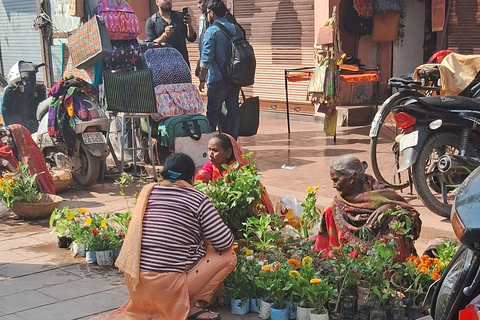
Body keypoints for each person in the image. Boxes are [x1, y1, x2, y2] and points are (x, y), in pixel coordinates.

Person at [91, 153, 236, 320]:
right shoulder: (198, 199)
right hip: (169, 286)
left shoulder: (148, 192)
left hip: (138, 284)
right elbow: (225, 242)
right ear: (191, 178)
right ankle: (192, 306)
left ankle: (163, 304)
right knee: (229, 255)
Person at [315, 154, 421, 261]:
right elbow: (322, 246)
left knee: (393, 220)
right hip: (350, 271)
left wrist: (391, 208)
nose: (334, 186)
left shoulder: (382, 193)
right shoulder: (334, 209)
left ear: (351, 179)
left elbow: (413, 218)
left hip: (389, 265)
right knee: (330, 211)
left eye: (336, 180)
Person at [195, 133, 274, 214]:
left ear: (228, 153)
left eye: (215, 150)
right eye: (209, 150)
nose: (210, 154)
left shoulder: (238, 170)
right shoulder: (213, 165)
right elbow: (197, 182)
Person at [198, 0, 241, 139]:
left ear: (211, 13)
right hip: (234, 78)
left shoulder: (211, 31)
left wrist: (202, 78)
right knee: (233, 112)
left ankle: (211, 144)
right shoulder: (236, 28)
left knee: (212, 114)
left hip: (217, 79)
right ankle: (232, 143)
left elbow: (206, 59)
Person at [0, 125, 55, 194]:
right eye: (7, 137)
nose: (7, 140)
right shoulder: (10, 151)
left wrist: (9, 166)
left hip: (35, 192)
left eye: (10, 137)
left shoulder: (30, 154)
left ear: (19, 138)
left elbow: (29, 180)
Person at [146, 0, 197, 67]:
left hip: (182, 65)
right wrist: (164, 36)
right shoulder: (152, 21)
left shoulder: (180, 17)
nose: (168, 1)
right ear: (157, 2)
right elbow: (150, 45)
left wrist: (189, 26)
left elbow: (191, 38)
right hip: (162, 67)